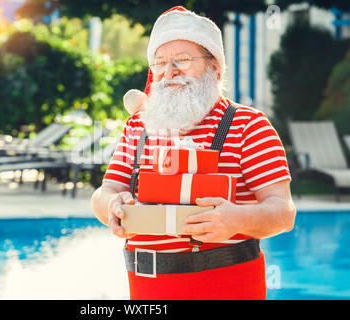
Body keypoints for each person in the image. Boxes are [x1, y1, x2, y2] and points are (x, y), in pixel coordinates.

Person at [91, 6, 296, 300]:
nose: (169, 71)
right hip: (147, 292)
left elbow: (284, 213)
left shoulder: (249, 126)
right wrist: (111, 205)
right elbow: (105, 191)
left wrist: (237, 220)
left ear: (214, 66)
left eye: (183, 60)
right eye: (159, 63)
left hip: (228, 289)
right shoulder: (138, 126)